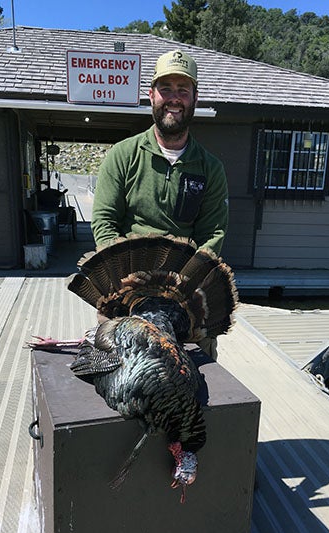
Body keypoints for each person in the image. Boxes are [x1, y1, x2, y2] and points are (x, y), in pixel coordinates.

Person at [91, 49, 230, 357]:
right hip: (128, 289)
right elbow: (104, 222)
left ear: (195, 97)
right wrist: (130, 284)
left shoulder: (210, 168)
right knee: (119, 380)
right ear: (151, 95)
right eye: (165, 89)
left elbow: (213, 234)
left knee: (196, 382)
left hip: (186, 293)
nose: (174, 98)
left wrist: (181, 286)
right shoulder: (123, 156)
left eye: (183, 90)